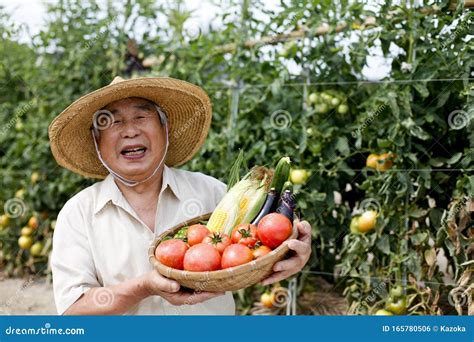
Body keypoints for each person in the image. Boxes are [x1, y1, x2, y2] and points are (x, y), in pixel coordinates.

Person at [48, 76, 312, 315]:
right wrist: (144, 286)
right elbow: (74, 310)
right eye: (113, 121)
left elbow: (259, 245)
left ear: (165, 129)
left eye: (141, 117)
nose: (129, 131)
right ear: (97, 141)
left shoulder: (213, 193)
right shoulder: (78, 214)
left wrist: (289, 255)